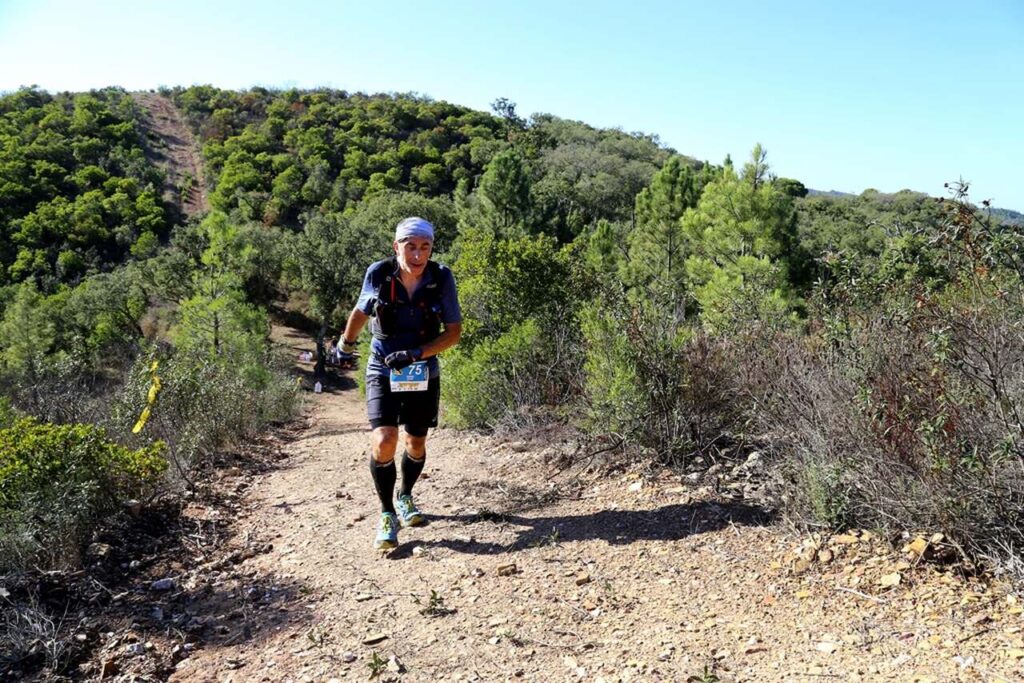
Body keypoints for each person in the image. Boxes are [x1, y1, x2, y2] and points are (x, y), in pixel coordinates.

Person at [339, 217, 462, 549]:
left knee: (416, 443)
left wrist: (417, 353)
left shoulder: (441, 277)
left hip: (421, 370)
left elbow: (453, 333)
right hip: (382, 366)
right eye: (411, 247)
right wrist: (345, 344)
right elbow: (361, 312)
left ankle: (405, 494)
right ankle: (387, 513)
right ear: (397, 247)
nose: (418, 255)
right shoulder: (379, 273)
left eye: (425, 247)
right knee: (384, 440)